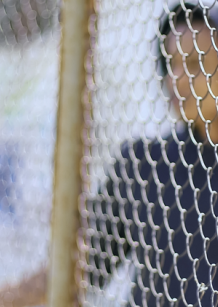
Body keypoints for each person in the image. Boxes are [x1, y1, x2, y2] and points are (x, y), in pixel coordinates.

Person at [1, 2, 218, 306]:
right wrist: (9, 297)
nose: (177, 79)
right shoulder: (147, 166)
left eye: (195, 64)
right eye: (171, 64)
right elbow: (75, 269)